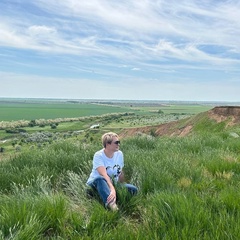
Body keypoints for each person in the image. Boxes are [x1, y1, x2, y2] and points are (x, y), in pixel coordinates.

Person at [86, 132, 138, 211]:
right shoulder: (99, 155)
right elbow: (104, 175)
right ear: (108, 144)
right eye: (116, 142)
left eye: (119, 142)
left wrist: (122, 186)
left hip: (113, 185)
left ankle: (110, 198)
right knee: (99, 179)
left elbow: (120, 172)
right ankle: (113, 207)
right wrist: (113, 189)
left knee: (133, 189)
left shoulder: (119, 154)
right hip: (96, 184)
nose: (118, 144)